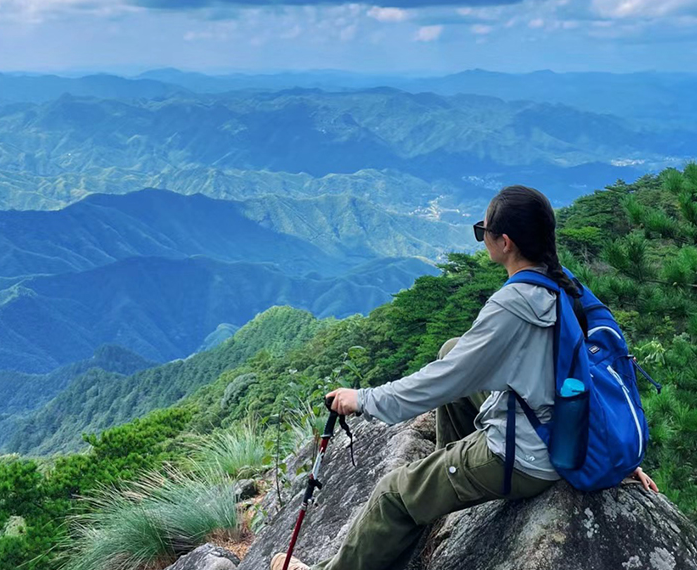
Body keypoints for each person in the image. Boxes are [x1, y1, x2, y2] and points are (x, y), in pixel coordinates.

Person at [271, 185, 658, 570]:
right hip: (561, 424)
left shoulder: (514, 305)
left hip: (528, 455)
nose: (481, 237)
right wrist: (610, 450)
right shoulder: (564, 281)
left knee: (392, 494)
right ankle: (444, 497)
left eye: (482, 231)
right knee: (452, 347)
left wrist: (364, 400)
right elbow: (599, 370)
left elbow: (443, 381)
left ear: (504, 242)